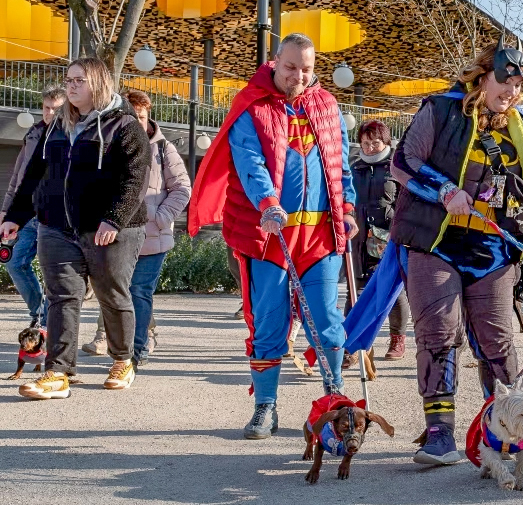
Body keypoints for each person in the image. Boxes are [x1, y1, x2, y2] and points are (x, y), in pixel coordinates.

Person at [390, 41, 523, 466]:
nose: (511, 92)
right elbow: (403, 160)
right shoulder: (439, 110)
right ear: (482, 77)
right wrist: (444, 190)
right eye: (504, 82)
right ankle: (440, 434)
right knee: (439, 332)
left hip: (493, 248)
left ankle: (504, 431)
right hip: (436, 242)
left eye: (518, 87)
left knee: (497, 340)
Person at [188, 33, 358, 439]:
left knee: (326, 319)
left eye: (306, 69)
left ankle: (335, 397)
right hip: (269, 236)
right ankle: (265, 405)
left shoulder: (328, 105)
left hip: (319, 235)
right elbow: (249, 162)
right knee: (268, 323)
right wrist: (267, 203)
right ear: (275, 61)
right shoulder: (251, 104)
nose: (298, 76)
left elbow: (341, 164)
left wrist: (348, 209)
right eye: (291, 67)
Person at [1, 57, 150, 400]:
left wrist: (114, 219)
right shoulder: (57, 125)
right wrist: (15, 215)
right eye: (69, 80)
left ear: (98, 83)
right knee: (61, 296)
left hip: (110, 227)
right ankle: (57, 372)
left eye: (79, 80)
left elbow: (136, 179)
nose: (71, 86)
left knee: (111, 293)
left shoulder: (124, 125)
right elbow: (34, 173)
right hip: (57, 225)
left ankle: (122, 359)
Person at [124, 90, 191, 369]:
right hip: (118, 235)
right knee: (119, 294)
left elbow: (182, 188)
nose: (137, 122)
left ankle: (136, 350)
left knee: (139, 291)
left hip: (152, 236)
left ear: (148, 116)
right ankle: (125, 346)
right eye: (131, 117)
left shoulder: (164, 148)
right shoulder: (113, 144)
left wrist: (160, 218)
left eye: (141, 117)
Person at [0, 86, 64, 328]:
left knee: (52, 271)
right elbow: (18, 176)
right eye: (46, 108)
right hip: (27, 214)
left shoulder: (72, 136)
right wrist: (6, 211)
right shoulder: (33, 134)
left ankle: (46, 324)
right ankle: (38, 312)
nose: (50, 113)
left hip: (55, 216)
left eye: (56, 109)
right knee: (14, 262)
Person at [348, 120, 409, 359]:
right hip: (358, 237)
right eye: (365, 143)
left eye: (375, 142)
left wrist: (397, 229)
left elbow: (405, 202)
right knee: (355, 288)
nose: (370, 147)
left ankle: (397, 339)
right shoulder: (354, 168)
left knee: (392, 288)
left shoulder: (397, 168)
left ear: (386, 142)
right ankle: (351, 343)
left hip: (388, 237)